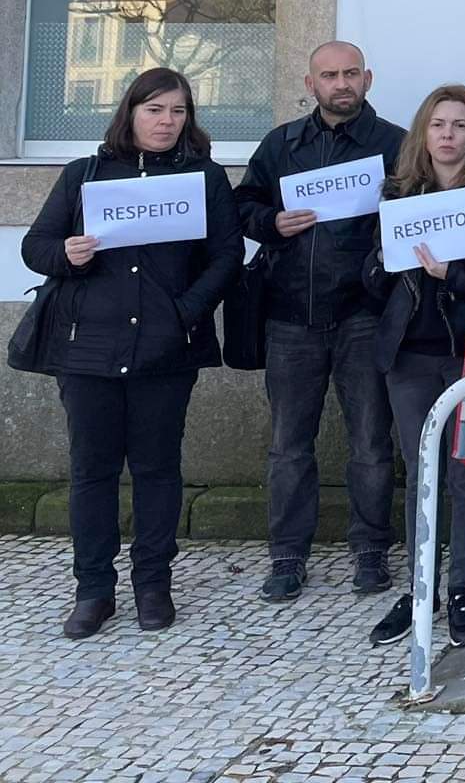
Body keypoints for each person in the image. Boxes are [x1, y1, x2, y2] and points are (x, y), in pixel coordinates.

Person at [18, 69, 241, 637]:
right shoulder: (84, 174)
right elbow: (34, 247)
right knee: (92, 472)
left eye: (178, 111)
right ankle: (93, 591)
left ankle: (152, 585)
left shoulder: (203, 177)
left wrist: (184, 312)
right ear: (131, 112)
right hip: (88, 348)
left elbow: (226, 256)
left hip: (165, 349)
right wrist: (67, 253)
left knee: (156, 469)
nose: (167, 122)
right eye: (155, 110)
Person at [234, 41, 406, 603]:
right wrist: (271, 221)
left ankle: (372, 552)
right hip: (290, 317)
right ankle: (286, 556)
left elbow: (419, 208)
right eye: (329, 75)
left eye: (351, 73)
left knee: (372, 444)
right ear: (309, 84)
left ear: (369, 77)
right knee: (287, 445)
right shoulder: (281, 144)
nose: (341, 84)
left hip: (364, 315)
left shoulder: (396, 145)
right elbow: (241, 205)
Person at [363, 84, 465, 650]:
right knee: (420, 473)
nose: (449, 135)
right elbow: (371, 272)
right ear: (423, 132)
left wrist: (452, 276)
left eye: (460, 125)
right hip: (408, 352)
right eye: (438, 125)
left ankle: (461, 591)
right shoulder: (398, 191)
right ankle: (419, 589)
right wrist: (383, 263)